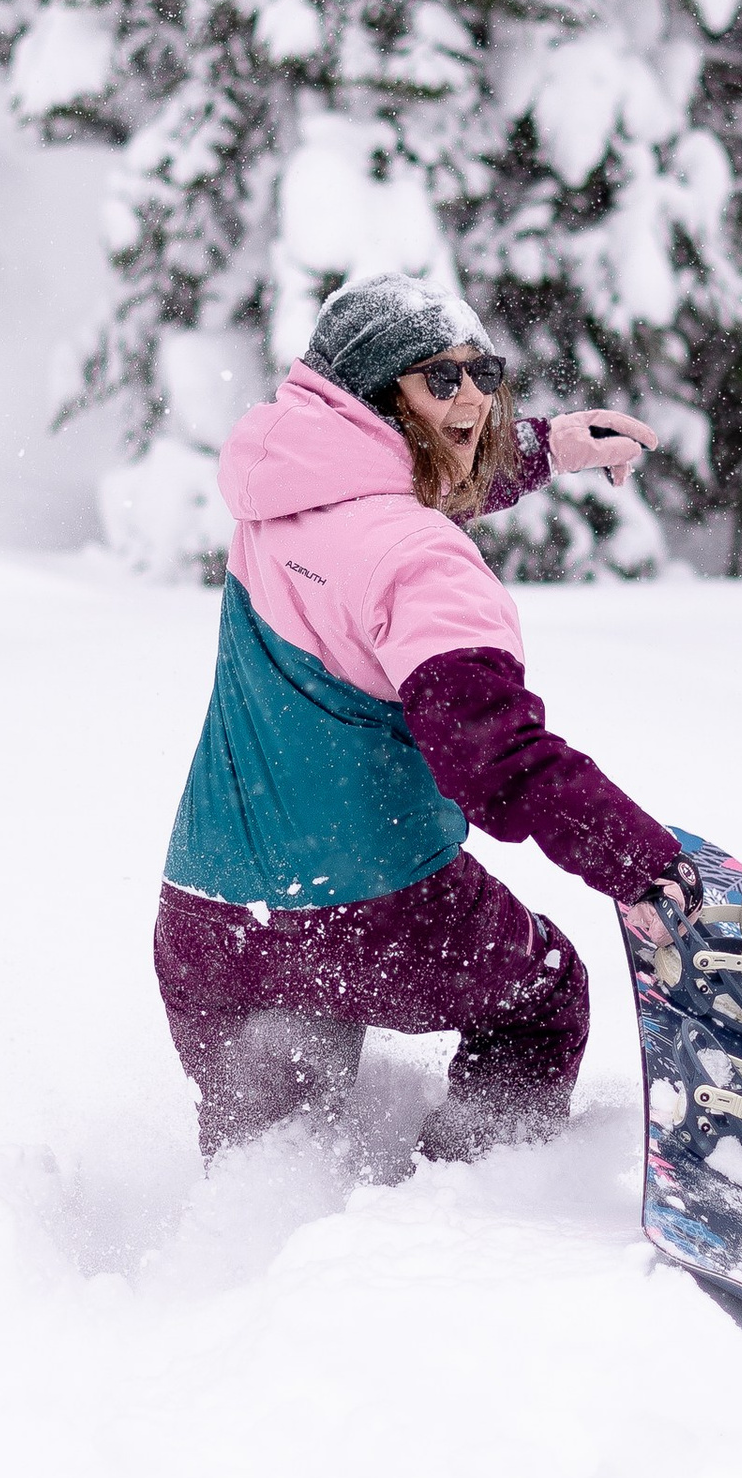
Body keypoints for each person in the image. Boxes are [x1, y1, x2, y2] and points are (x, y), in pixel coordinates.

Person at [153, 272, 698, 1166]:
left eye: (483, 371)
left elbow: (388, 482)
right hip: (373, 912)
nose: (475, 396)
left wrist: (549, 448)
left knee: (278, 1161)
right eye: (439, 380)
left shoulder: (274, 495)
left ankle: (233, 1277)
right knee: (542, 1001)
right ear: (377, 395)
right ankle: (461, 1211)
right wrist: (637, 864)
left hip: (208, 919)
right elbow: (495, 760)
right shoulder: (423, 564)